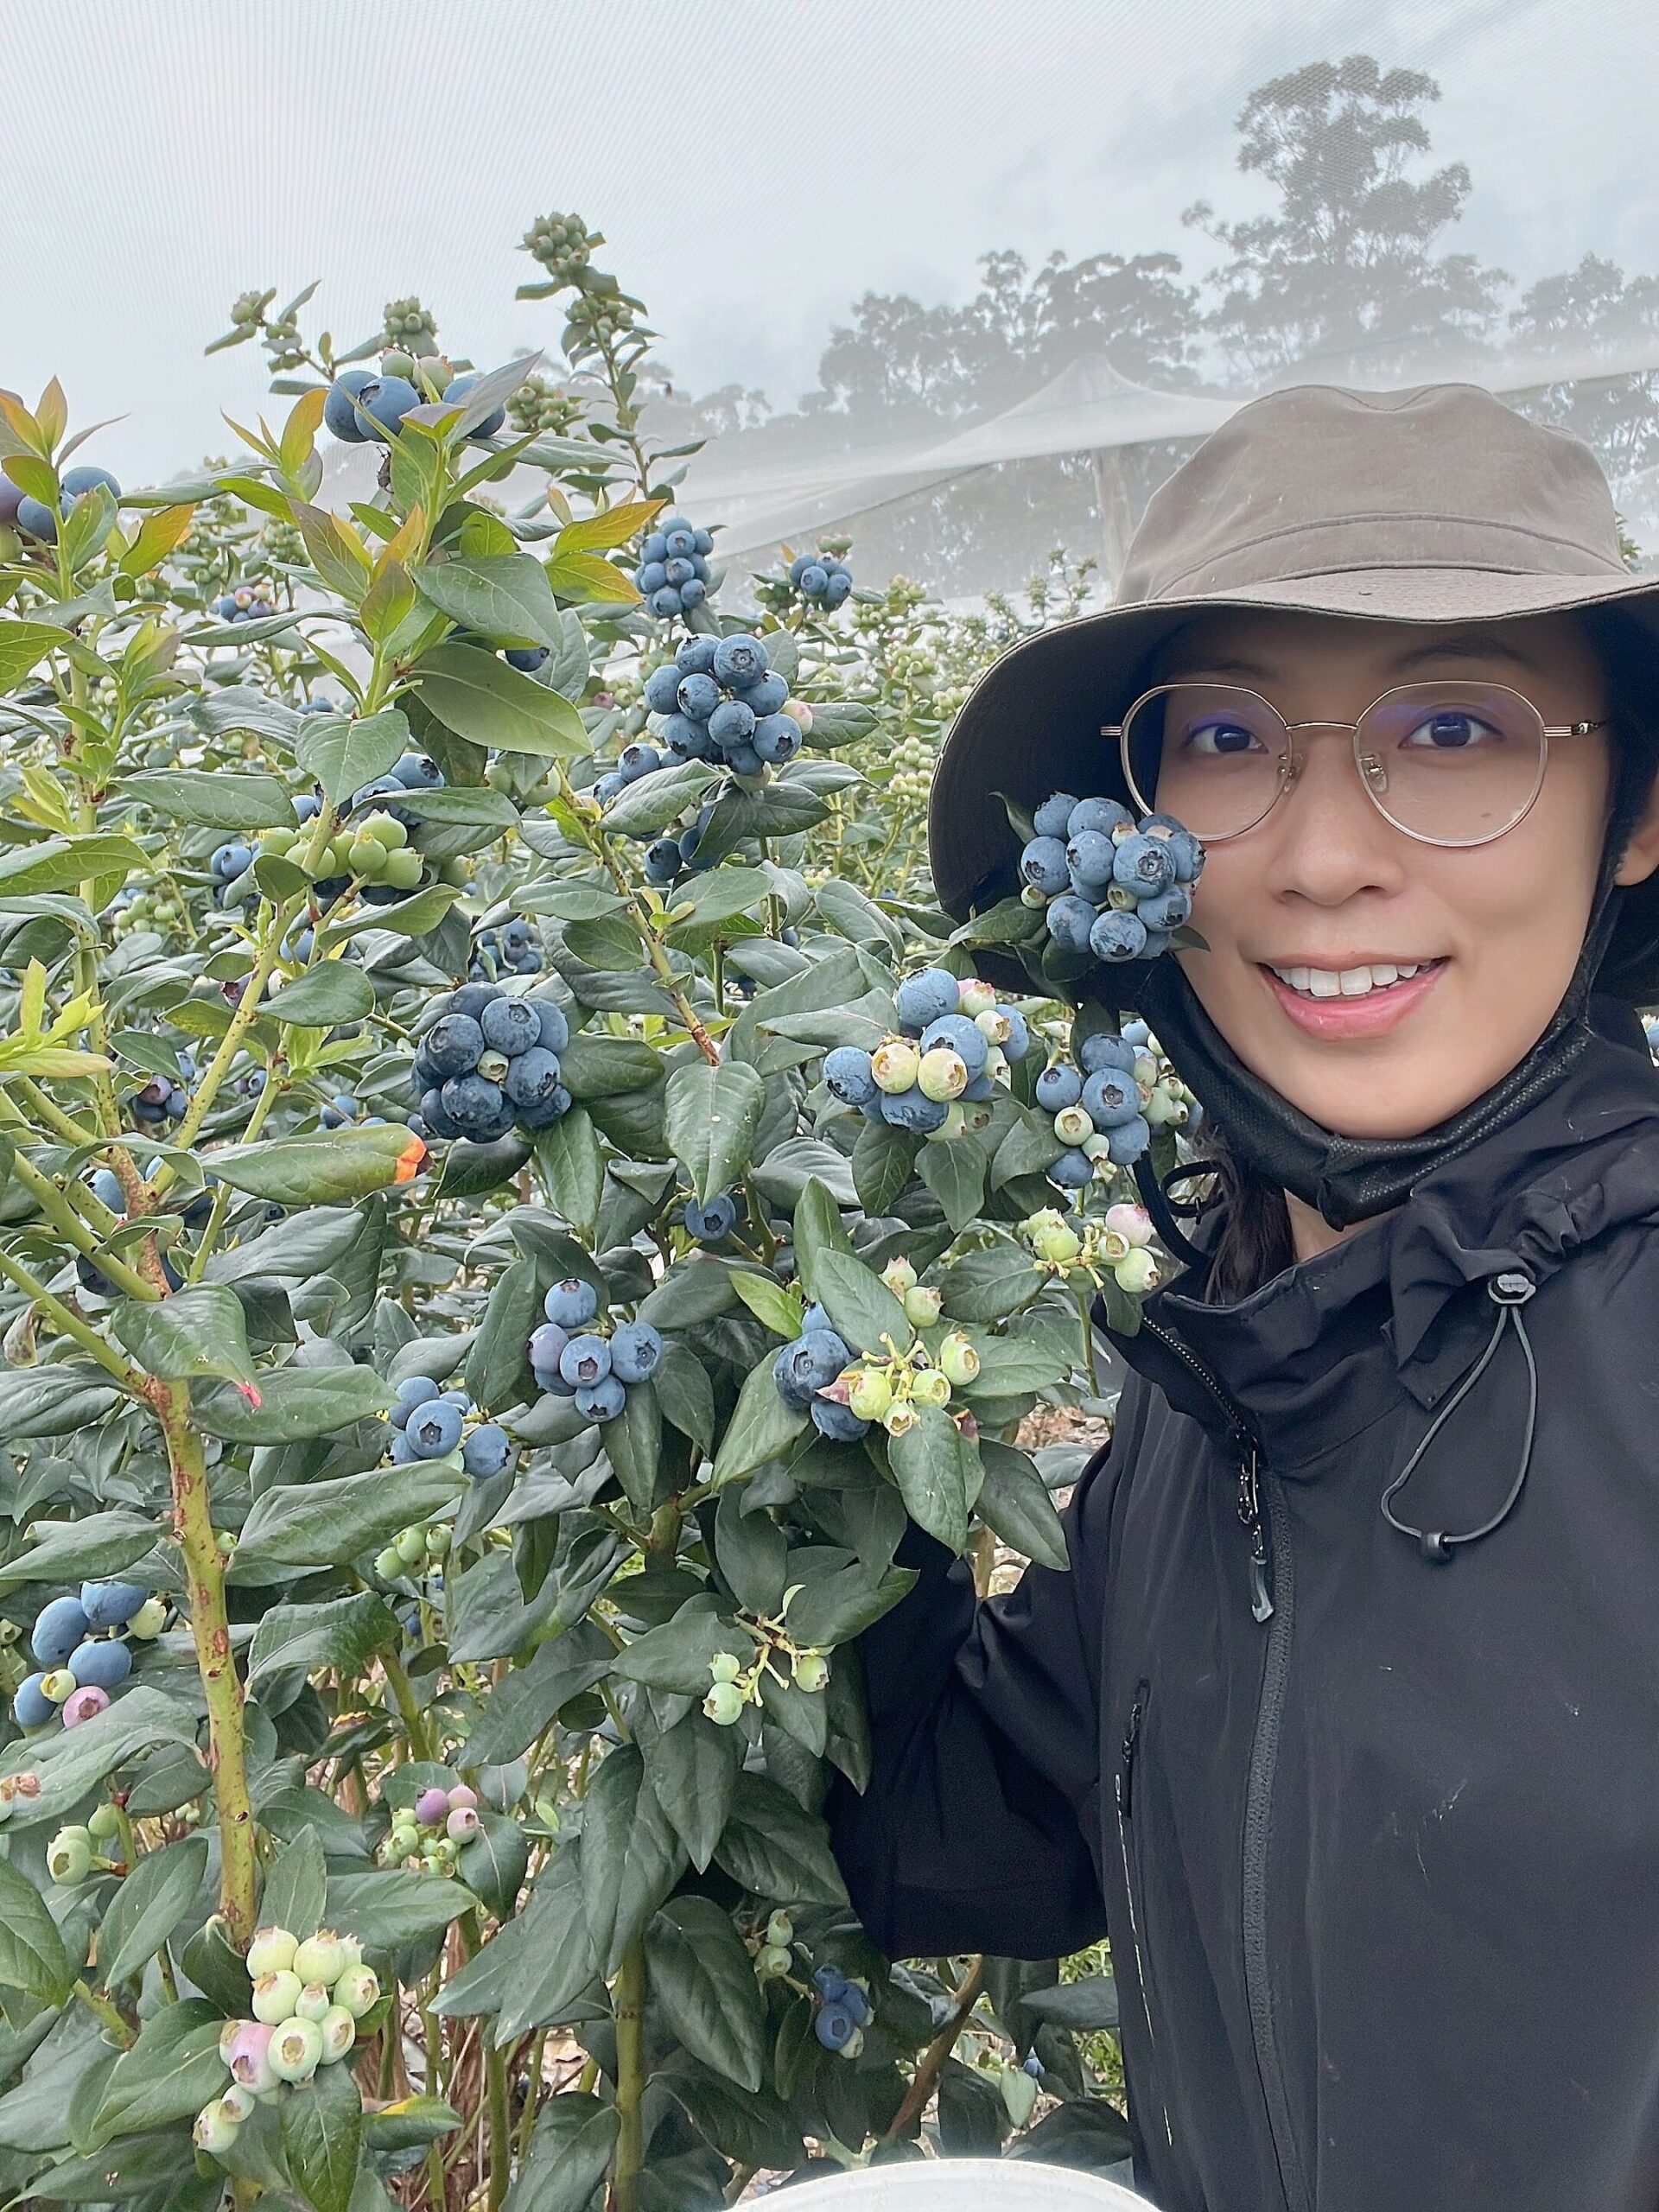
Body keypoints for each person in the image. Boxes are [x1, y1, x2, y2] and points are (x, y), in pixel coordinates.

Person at [822, 382, 1659, 2212]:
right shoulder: (1222, 1381)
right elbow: (971, 1837)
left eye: (1457, 725)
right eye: (1224, 738)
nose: (1321, 854)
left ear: (1638, 805)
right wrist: (808, 1442)